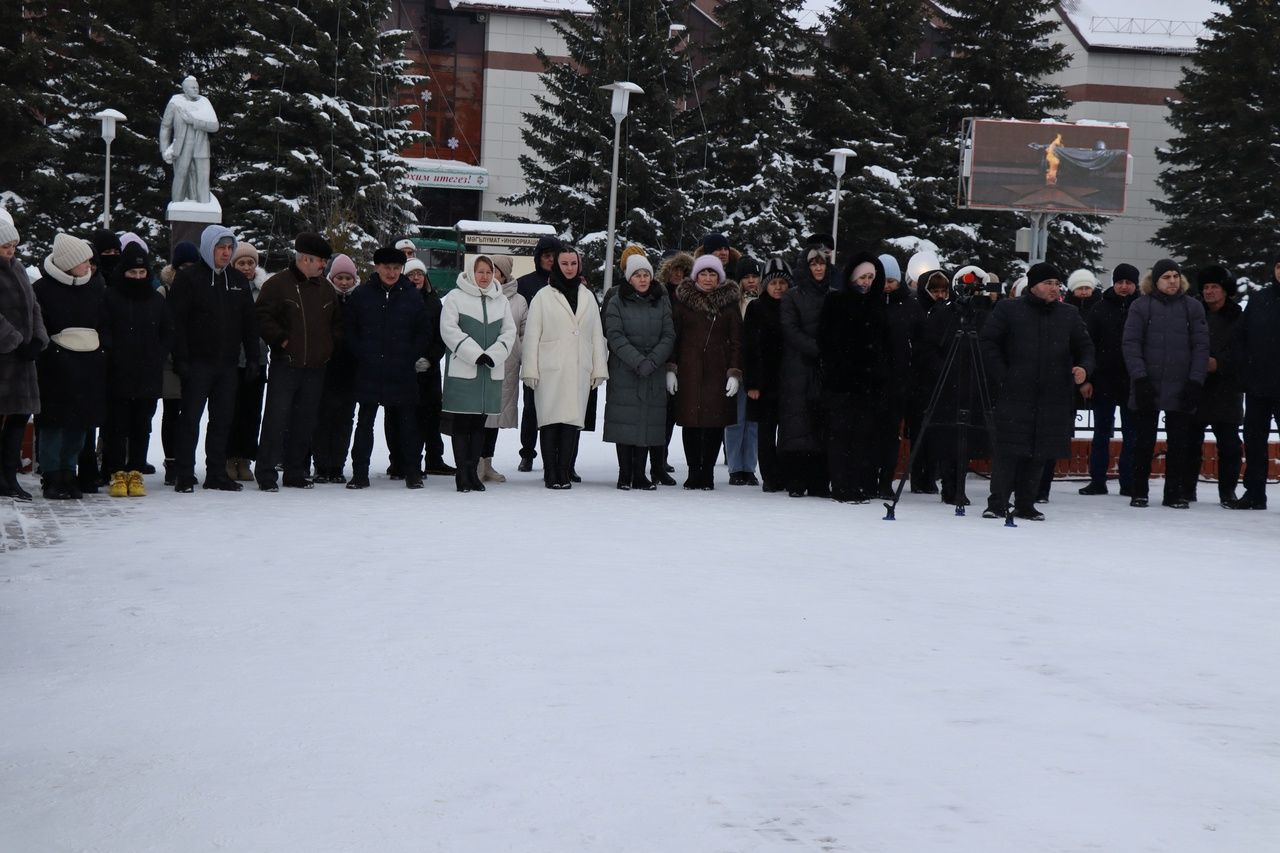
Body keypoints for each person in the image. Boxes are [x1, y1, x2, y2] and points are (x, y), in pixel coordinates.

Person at [980, 261, 1094, 520]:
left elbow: (1086, 348)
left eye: (1057, 283)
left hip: (1053, 395)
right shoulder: (1008, 309)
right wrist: (1004, 375)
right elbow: (989, 343)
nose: (1054, 288)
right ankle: (997, 503)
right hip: (1014, 392)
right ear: (1033, 286)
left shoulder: (1069, 314)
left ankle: (1026, 504)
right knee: (1008, 450)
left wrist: (1084, 369)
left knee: (1040, 451)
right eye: (1048, 283)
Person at [168, 224, 260, 493]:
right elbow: (177, 322)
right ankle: (184, 474)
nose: (226, 253)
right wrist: (181, 358)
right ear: (209, 248)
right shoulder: (189, 279)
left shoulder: (238, 281)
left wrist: (253, 357)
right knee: (190, 420)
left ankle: (216, 472)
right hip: (197, 363)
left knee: (222, 421)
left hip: (228, 364)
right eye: (221, 248)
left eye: (229, 248)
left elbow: (249, 324)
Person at [253, 232, 340, 491]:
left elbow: (336, 324)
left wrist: (329, 347)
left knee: (304, 422)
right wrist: (281, 340)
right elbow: (262, 317)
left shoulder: (325, 288)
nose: (324, 266)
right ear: (305, 259)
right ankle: (266, 473)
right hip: (286, 365)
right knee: (275, 421)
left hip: (316, 367)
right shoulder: (277, 284)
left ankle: (295, 471)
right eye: (320, 261)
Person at [1122, 259, 1210, 509]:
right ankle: (1139, 491)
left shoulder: (1192, 307)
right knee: (1143, 442)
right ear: (1155, 280)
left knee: (1179, 443)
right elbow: (1131, 344)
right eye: (1166, 277)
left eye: (1175, 276)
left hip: (1182, 386)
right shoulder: (1141, 306)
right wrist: (1139, 378)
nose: (1172, 281)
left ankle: (1174, 493)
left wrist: (1195, 381)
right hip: (1147, 384)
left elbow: (1201, 347)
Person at [344, 247, 432, 489]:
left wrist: (409, 356)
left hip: (402, 370)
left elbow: (423, 331)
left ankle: (412, 472)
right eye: (386, 267)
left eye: (396, 268)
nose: (391, 272)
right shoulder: (362, 295)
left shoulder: (412, 296)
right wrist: (362, 354)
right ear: (377, 268)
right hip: (369, 370)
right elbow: (349, 330)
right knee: (365, 423)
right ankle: (359, 473)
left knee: (407, 425)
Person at [521, 245, 607, 489]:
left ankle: (564, 472)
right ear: (557, 265)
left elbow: (596, 334)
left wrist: (599, 368)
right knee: (549, 421)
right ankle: (551, 473)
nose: (569, 268)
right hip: (550, 368)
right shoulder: (543, 296)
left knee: (571, 422)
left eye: (573, 263)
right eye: (565, 263)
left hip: (579, 368)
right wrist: (530, 369)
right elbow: (531, 336)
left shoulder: (588, 296)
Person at [32, 233, 108, 500]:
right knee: (54, 422)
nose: (89, 265)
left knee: (79, 423)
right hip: (55, 364)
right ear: (68, 263)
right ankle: (52, 474)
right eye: (84, 261)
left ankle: (69, 471)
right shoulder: (42, 289)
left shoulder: (96, 287)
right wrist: (52, 350)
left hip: (89, 364)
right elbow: (39, 325)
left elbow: (104, 321)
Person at [917, 264, 995, 507]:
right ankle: (949, 486)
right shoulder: (944, 313)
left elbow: (991, 347)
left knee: (969, 435)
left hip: (975, 383)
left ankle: (959, 485)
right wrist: (943, 370)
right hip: (948, 383)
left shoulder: (985, 316)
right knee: (949, 436)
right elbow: (929, 347)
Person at [818, 252, 893, 503]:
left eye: (871, 277)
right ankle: (840, 484)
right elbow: (826, 340)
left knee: (863, 436)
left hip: (869, 383)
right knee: (841, 435)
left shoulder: (876, 303)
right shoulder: (836, 301)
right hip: (841, 382)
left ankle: (858, 483)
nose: (867, 282)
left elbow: (883, 343)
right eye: (863, 276)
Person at [440, 255, 517, 492]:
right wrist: (474, 353)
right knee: (462, 425)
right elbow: (448, 329)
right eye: (480, 272)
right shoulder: (455, 297)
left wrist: (493, 354)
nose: (484, 276)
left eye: (488, 272)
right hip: (465, 370)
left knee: (479, 425)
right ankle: (462, 474)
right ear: (471, 273)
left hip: (489, 372)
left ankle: (473, 472)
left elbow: (509, 331)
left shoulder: (500, 300)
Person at [101, 243, 170, 497]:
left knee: (142, 425)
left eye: (142, 273)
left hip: (147, 372)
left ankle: (136, 471)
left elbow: (166, 331)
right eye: (133, 273)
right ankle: (116, 471)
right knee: (116, 426)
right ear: (124, 272)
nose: (138, 278)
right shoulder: (110, 296)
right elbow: (104, 328)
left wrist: (157, 355)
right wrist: (111, 352)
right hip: (117, 371)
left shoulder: (156, 299)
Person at [668, 254, 742, 490]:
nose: (708, 278)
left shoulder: (729, 305)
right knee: (690, 424)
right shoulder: (682, 302)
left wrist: (734, 372)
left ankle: (707, 472)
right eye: (703, 273)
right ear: (696, 275)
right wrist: (671, 368)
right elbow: (673, 338)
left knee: (713, 424)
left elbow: (737, 341)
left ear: (719, 276)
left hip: (717, 372)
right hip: (689, 371)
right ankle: (693, 471)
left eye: (712, 273)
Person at [604, 254, 676, 490]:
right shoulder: (617, 301)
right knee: (625, 421)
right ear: (629, 278)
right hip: (626, 369)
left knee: (647, 421)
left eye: (646, 275)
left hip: (653, 370)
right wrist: (637, 361)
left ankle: (640, 474)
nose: (643, 279)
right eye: (637, 275)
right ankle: (625, 473)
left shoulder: (661, 300)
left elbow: (669, 335)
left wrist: (653, 360)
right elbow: (614, 336)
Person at [1078, 264, 1140, 496]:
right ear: (1114, 283)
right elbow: (1088, 346)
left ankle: (1128, 481)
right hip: (1103, 381)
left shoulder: (1142, 308)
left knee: (1132, 434)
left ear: (1135, 284)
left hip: (1133, 382)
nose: (1124, 287)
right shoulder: (1099, 308)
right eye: (1120, 282)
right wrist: (1087, 380)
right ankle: (1097, 480)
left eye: (1129, 282)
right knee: (1101, 434)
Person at [1186, 265, 1243, 507]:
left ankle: (1227, 492)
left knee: (1229, 446)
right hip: (1196, 388)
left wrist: (1219, 364)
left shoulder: (1239, 317)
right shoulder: (1194, 314)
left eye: (1214, 287)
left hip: (1226, 390)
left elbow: (1245, 352)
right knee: (1189, 444)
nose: (1209, 291)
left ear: (1225, 290)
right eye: (1206, 287)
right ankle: (1186, 489)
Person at [0, 216, 47, 501]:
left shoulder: (17, 269)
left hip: (24, 361)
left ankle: (9, 475)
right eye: (5, 246)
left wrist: (39, 337)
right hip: (5, 359)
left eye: (14, 245)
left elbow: (34, 307)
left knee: (19, 418)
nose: (11, 251)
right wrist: (15, 342)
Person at [778, 247, 832, 498]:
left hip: (826, 369)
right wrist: (817, 348)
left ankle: (819, 480)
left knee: (822, 424)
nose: (819, 268)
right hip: (798, 366)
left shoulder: (834, 295)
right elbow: (789, 328)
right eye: (814, 264)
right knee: (797, 424)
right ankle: (796, 480)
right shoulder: (792, 296)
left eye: (822, 264)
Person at [393, 257, 452, 479]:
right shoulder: (398, 300)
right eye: (411, 274)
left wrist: (430, 359)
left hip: (430, 371)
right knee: (406, 419)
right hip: (404, 371)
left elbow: (441, 336)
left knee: (431, 416)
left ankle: (434, 459)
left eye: (419, 274)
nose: (416, 278)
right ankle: (404, 463)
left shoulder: (434, 302)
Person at [1232, 252, 1280, 510]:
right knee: (1254, 441)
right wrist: (1245, 371)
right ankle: (1254, 493)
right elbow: (1241, 338)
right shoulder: (1260, 299)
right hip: (1258, 386)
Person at [311, 255, 360, 483]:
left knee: (344, 420)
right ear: (332, 277)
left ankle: (337, 465)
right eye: (339, 277)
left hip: (350, 371)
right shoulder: (324, 297)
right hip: (326, 369)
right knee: (322, 419)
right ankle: (321, 465)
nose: (343, 282)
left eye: (348, 278)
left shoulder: (359, 300)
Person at [514, 235, 562, 472]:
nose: (551, 261)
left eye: (554, 256)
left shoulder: (570, 283)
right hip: (534, 356)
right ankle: (527, 453)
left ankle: (557, 456)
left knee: (558, 409)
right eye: (546, 256)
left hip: (561, 358)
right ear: (538, 258)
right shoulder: (525, 284)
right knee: (531, 409)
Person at [877, 252, 921, 498]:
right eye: (883, 281)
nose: (886, 286)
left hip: (898, 380)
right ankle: (868, 477)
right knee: (871, 433)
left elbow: (919, 340)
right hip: (873, 379)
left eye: (891, 281)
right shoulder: (870, 302)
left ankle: (885, 481)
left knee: (891, 435)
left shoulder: (909, 304)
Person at [744, 258, 790, 492]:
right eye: (774, 283)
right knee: (765, 431)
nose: (778, 287)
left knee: (787, 432)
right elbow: (750, 347)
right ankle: (769, 476)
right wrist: (752, 382)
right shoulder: (756, 307)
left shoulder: (792, 306)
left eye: (783, 282)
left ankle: (784, 472)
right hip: (763, 379)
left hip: (789, 379)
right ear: (765, 285)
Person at [224, 241, 269, 482]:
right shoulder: (226, 286)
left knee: (252, 412)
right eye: (241, 262)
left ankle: (246, 459)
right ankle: (229, 457)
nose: (246, 267)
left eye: (250, 262)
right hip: (231, 360)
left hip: (258, 358)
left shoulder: (263, 290)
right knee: (231, 410)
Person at [480, 254, 527, 483]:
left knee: (494, 419)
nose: (490, 275)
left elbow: (525, 334)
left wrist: (519, 353)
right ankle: (475, 463)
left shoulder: (519, 301)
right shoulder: (478, 295)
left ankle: (487, 463)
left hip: (507, 367)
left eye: (495, 270)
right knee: (477, 416)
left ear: (504, 273)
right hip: (480, 364)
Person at [157, 240, 199, 484]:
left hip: (195, 359)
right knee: (171, 412)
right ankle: (172, 462)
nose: (187, 271)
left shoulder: (200, 288)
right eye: (183, 267)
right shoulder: (164, 292)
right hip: (170, 361)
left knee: (190, 416)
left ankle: (186, 462)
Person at [906, 266, 952, 493]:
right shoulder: (917, 309)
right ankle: (918, 476)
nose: (940, 295)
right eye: (935, 290)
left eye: (944, 290)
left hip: (942, 379)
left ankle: (931, 475)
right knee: (919, 430)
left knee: (937, 432)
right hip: (920, 379)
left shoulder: (949, 312)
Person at [650, 251, 694, 485]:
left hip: (685, 359)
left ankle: (662, 455)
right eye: (674, 270)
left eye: (683, 271)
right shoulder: (658, 293)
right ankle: (657, 458)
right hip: (660, 357)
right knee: (659, 412)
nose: (678, 275)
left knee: (671, 414)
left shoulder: (690, 296)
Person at [724, 255, 761, 485]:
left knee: (754, 421)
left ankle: (750, 467)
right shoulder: (733, 303)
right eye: (746, 277)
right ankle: (735, 467)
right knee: (736, 419)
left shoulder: (765, 299)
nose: (750, 281)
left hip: (758, 367)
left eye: (754, 276)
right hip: (737, 366)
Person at [159, 76, 219, 204]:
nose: (196, 89)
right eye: (193, 87)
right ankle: (177, 203)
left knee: (203, 179)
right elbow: (165, 127)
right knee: (181, 177)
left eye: (197, 87)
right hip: (182, 147)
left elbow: (215, 126)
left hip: (201, 146)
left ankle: (204, 205)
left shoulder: (204, 102)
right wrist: (164, 150)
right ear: (185, 89)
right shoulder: (175, 103)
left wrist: (194, 122)